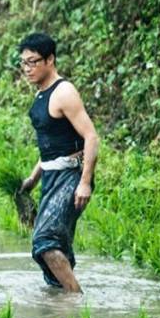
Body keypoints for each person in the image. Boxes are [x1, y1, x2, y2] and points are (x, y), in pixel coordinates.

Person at [16, 33, 99, 293]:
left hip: (71, 176)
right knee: (55, 245)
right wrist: (32, 179)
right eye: (23, 63)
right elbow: (51, 147)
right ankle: (61, 302)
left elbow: (91, 137)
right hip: (51, 177)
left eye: (33, 62)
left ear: (50, 59)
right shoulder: (41, 94)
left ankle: (76, 299)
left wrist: (85, 182)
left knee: (46, 241)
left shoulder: (63, 92)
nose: (27, 69)